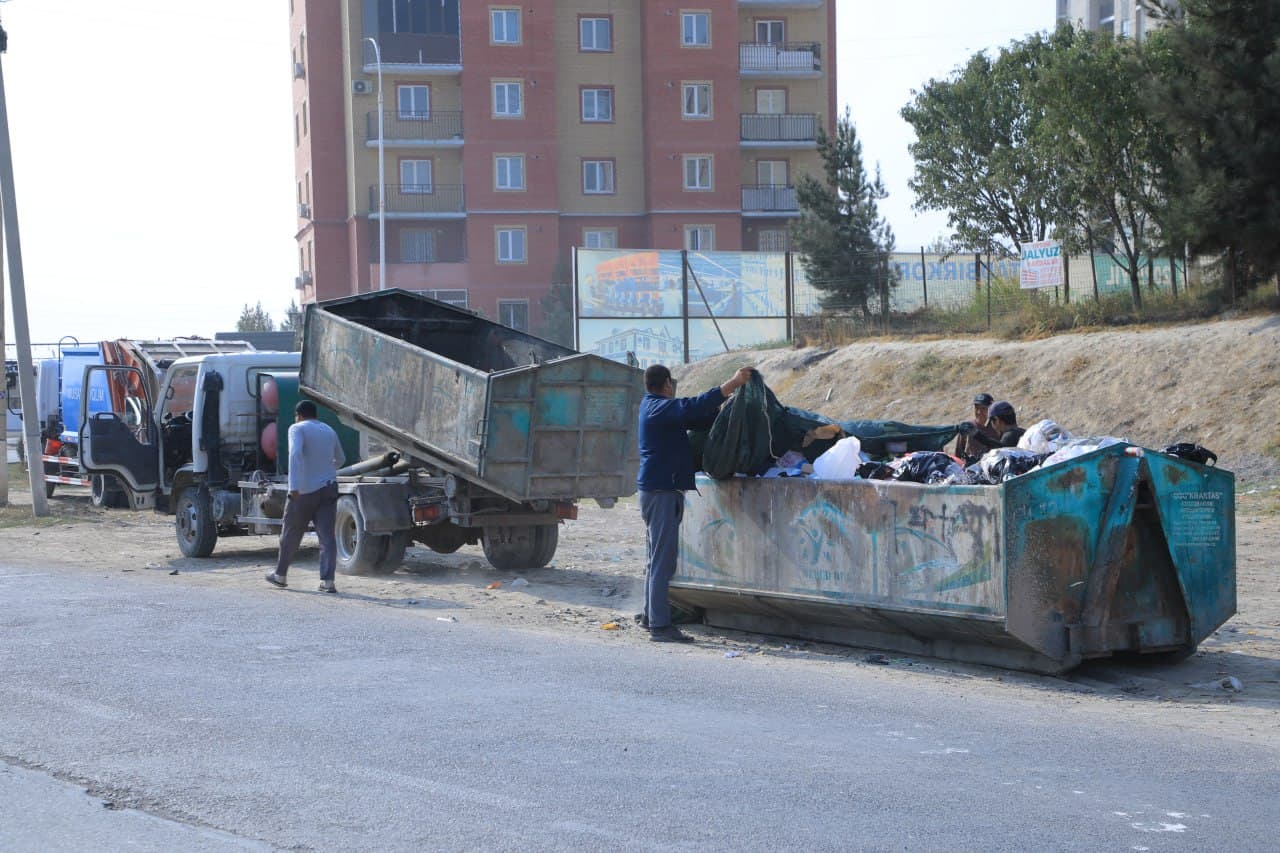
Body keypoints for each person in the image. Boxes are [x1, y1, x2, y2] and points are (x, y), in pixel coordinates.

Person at [638, 363, 754, 643]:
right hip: (661, 492)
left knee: (656, 559)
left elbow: (697, 417)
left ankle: (649, 616)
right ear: (666, 383)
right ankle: (660, 626)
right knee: (663, 562)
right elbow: (691, 407)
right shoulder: (658, 408)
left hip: (658, 490)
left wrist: (723, 408)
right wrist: (732, 383)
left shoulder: (654, 408)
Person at [265, 400, 346, 594]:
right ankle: (327, 582)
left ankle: (280, 576)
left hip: (304, 490)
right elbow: (341, 459)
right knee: (327, 537)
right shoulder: (328, 430)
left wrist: (293, 486)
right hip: (328, 488)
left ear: (299, 415)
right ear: (315, 414)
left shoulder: (297, 428)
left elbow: (295, 454)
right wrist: (326, 471)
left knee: (291, 533)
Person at [960, 400, 1025, 451]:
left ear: (997, 420)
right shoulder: (1023, 432)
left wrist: (977, 434)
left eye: (990, 422)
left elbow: (1001, 449)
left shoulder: (1009, 436)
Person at [955, 392, 999, 460]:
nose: (979, 412)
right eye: (976, 408)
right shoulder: (967, 427)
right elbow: (958, 454)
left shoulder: (998, 427)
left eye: (983, 408)